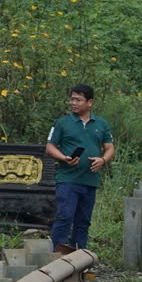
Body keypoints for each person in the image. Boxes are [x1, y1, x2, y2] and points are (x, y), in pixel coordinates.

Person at [44, 83, 114, 255]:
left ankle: (78, 257)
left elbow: (110, 147)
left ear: (90, 102)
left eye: (78, 100)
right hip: (68, 179)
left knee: (83, 222)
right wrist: (63, 158)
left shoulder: (101, 124)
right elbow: (50, 147)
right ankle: (56, 256)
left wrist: (103, 160)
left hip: (90, 180)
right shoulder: (62, 123)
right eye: (72, 99)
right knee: (64, 217)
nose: (73, 103)